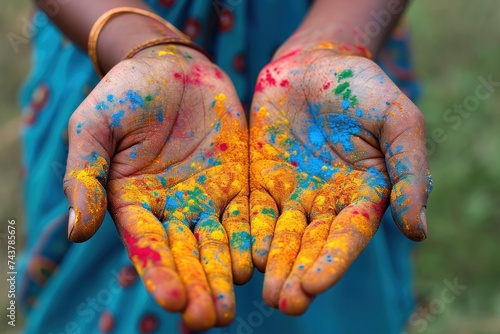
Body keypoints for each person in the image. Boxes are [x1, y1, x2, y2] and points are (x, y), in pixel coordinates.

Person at [19, 0, 432, 333]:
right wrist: (141, 45)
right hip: (121, 65)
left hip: (339, 35)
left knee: (326, 278)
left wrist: (331, 42)